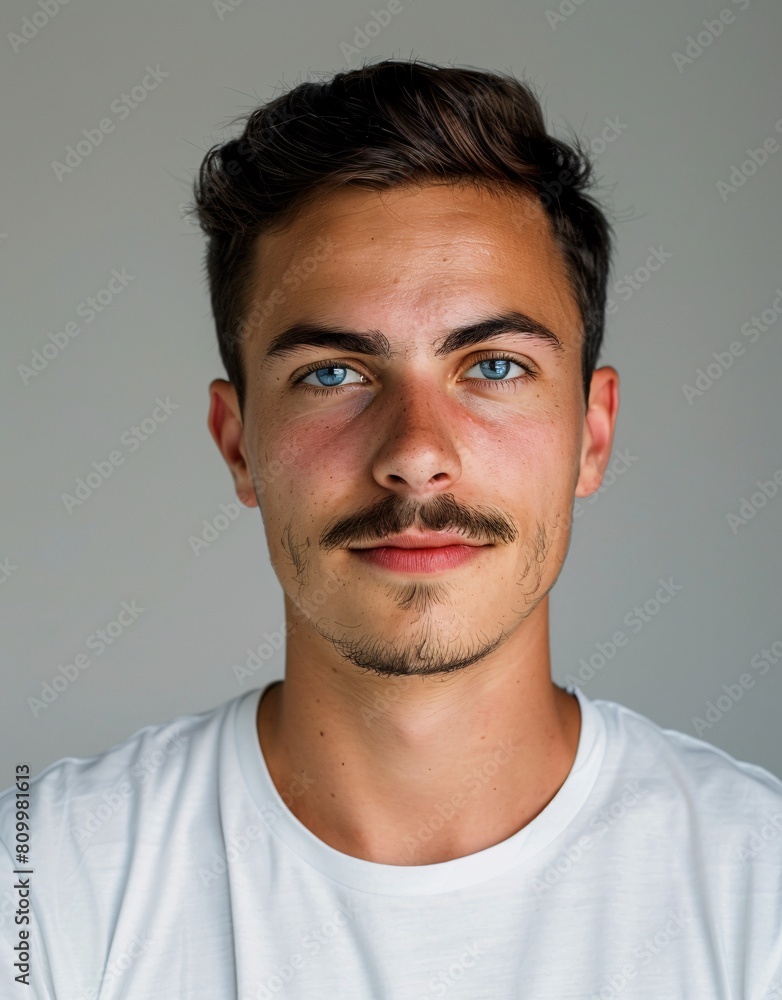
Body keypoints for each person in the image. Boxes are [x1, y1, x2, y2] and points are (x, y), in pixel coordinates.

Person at [2, 58, 781, 999]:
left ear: (592, 433)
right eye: (333, 374)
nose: (416, 453)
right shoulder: (42, 887)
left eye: (493, 367)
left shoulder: (760, 888)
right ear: (239, 443)